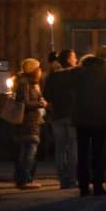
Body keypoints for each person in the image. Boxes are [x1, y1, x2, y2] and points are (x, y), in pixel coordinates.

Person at [71, 49, 106, 197]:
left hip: (82, 119)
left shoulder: (78, 75)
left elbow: (69, 93)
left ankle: (84, 186)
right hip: (101, 119)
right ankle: (98, 185)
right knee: (98, 153)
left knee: (82, 152)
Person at [42, 48, 79, 190]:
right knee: (72, 148)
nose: (76, 59)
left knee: (60, 148)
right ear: (69, 59)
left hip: (57, 115)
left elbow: (46, 95)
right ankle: (72, 179)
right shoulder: (74, 74)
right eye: (74, 57)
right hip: (71, 115)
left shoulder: (53, 76)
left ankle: (63, 180)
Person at [12, 57, 47, 189]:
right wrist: (40, 103)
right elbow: (25, 103)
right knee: (28, 151)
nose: (40, 70)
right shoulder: (24, 83)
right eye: (38, 68)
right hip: (27, 122)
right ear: (33, 70)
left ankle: (23, 178)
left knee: (26, 151)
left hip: (32, 121)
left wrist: (40, 99)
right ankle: (25, 180)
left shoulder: (33, 83)